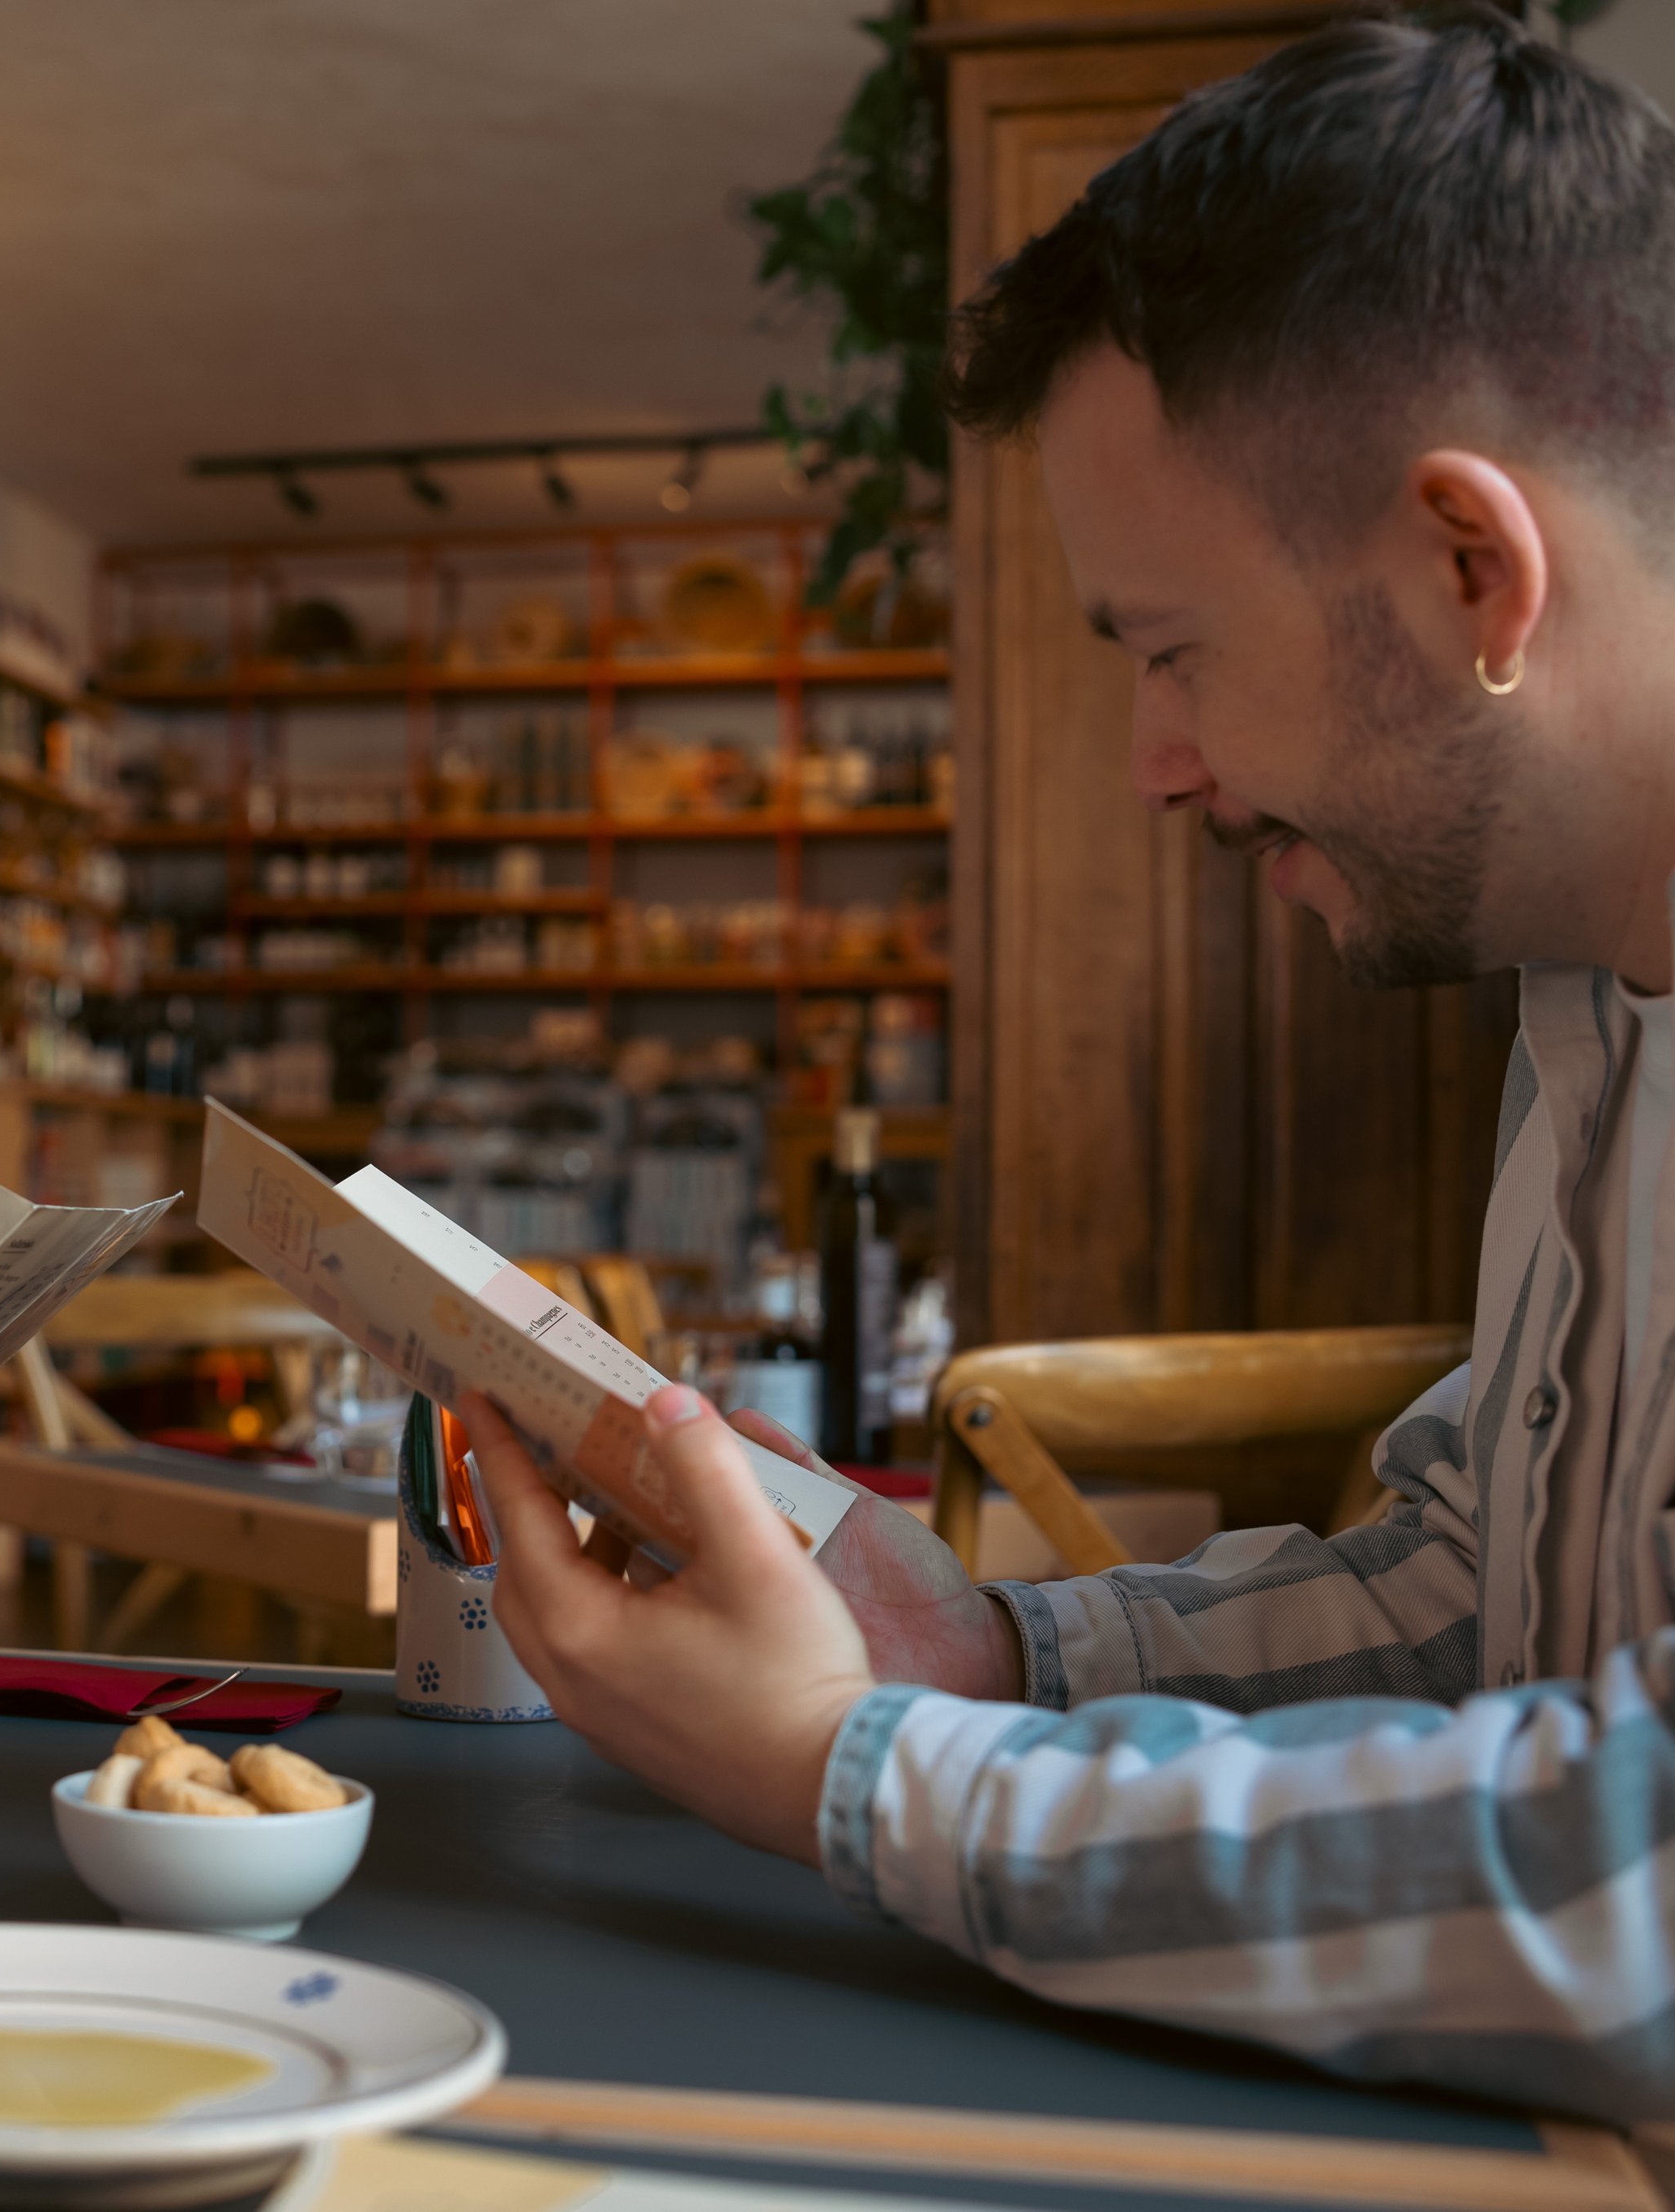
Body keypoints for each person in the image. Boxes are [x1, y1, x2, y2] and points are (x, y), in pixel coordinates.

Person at [464, 11, 1675, 2123]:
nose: (1154, 765)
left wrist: (859, 1775)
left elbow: (1642, 1875)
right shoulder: (1587, 994)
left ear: (1475, 567)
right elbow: (1486, 1587)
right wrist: (989, 1649)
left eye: (1172, 647)